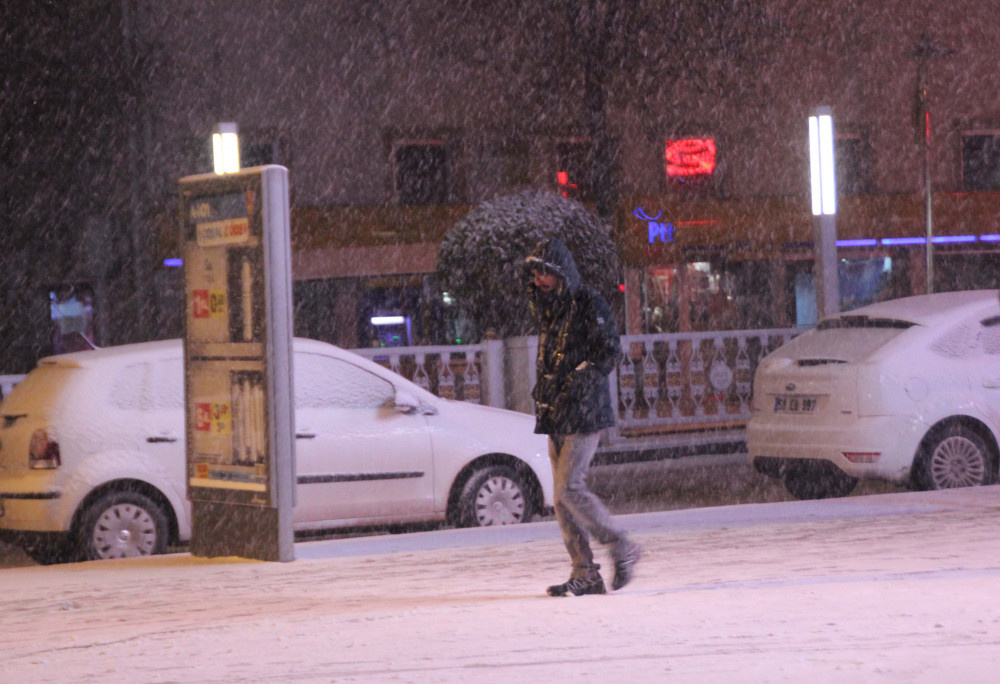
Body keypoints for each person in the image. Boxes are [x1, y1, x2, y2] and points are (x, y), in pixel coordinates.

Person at [525, 237, 641, 597]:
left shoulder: (588, 302)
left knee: (569, 487)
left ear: (560, 271)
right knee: (560, 498)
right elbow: (550, 359)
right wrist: (546, 396)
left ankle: (621, 544)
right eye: (534, 273)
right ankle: (584, 572)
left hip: (584, 411)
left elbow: (609, 350)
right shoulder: (550, 308)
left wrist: (576, 380)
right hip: (556, 412)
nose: (537, 279)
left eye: (543, 272)